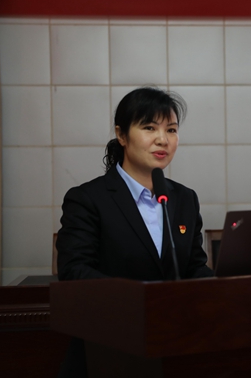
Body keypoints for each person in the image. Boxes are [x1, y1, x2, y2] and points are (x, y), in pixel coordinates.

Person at [55, 86, 213, 377]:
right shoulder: (87, 199)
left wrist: (220, 288)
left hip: (174, 348)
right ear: (122, 135)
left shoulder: (184, 198)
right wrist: (141, 302)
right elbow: (74, 272)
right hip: (108, 349)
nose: (163, 139)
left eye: (171, 130)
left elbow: (194, 266)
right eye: (149, 127)